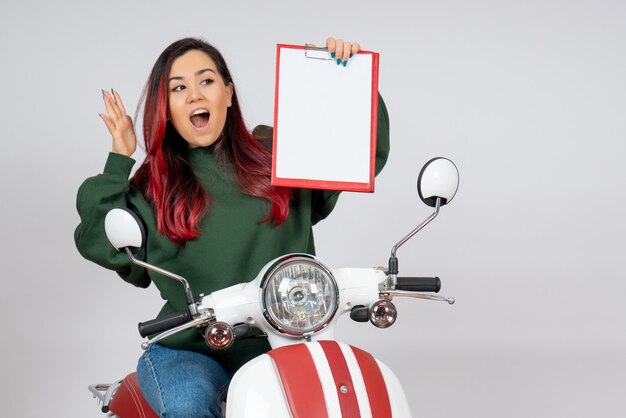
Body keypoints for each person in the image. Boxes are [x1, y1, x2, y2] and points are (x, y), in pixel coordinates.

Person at [75, 36, 390, 418]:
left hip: (286, 343)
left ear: (228, 93)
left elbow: (357, 155)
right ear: (167, 107)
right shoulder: (151, 187)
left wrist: (351, 76)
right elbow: (99, 237)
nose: (194, 95)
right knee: (189, 406)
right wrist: (119, 158)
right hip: (189, 351)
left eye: (206, 81)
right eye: (178, 88)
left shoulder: (275, 154)